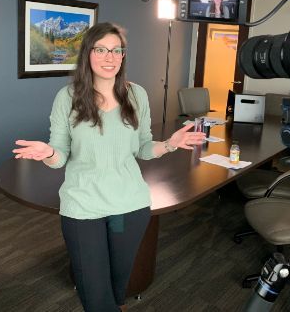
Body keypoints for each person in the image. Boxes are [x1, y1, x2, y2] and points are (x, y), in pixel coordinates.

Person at [12, 22, 206, 312]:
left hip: (129, 206)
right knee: (93, 289)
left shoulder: (136, 95)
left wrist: (169, 144)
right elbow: (60, 157)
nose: (109, 57)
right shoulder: (68, 97)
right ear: (87, 54)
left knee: (118, 281)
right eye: (101, 49)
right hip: (83, 207)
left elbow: (143, 147)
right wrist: (48, 152)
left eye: (117, 50)